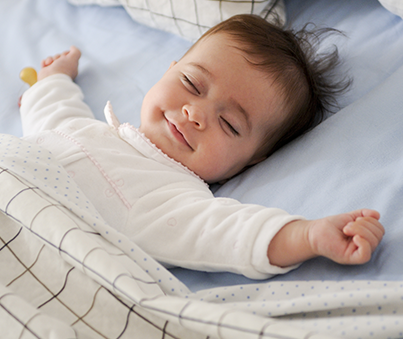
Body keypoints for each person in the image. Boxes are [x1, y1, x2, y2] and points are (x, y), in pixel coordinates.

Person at [20, 15, 384, 279]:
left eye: (229, 124)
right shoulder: (84, 129)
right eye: (192, 83)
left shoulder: (171, 198)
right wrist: (54, 79)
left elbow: (227, 234)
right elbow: (55, 111)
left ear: (254, 160)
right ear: (170, 69)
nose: (195, 114)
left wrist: (308, 235)